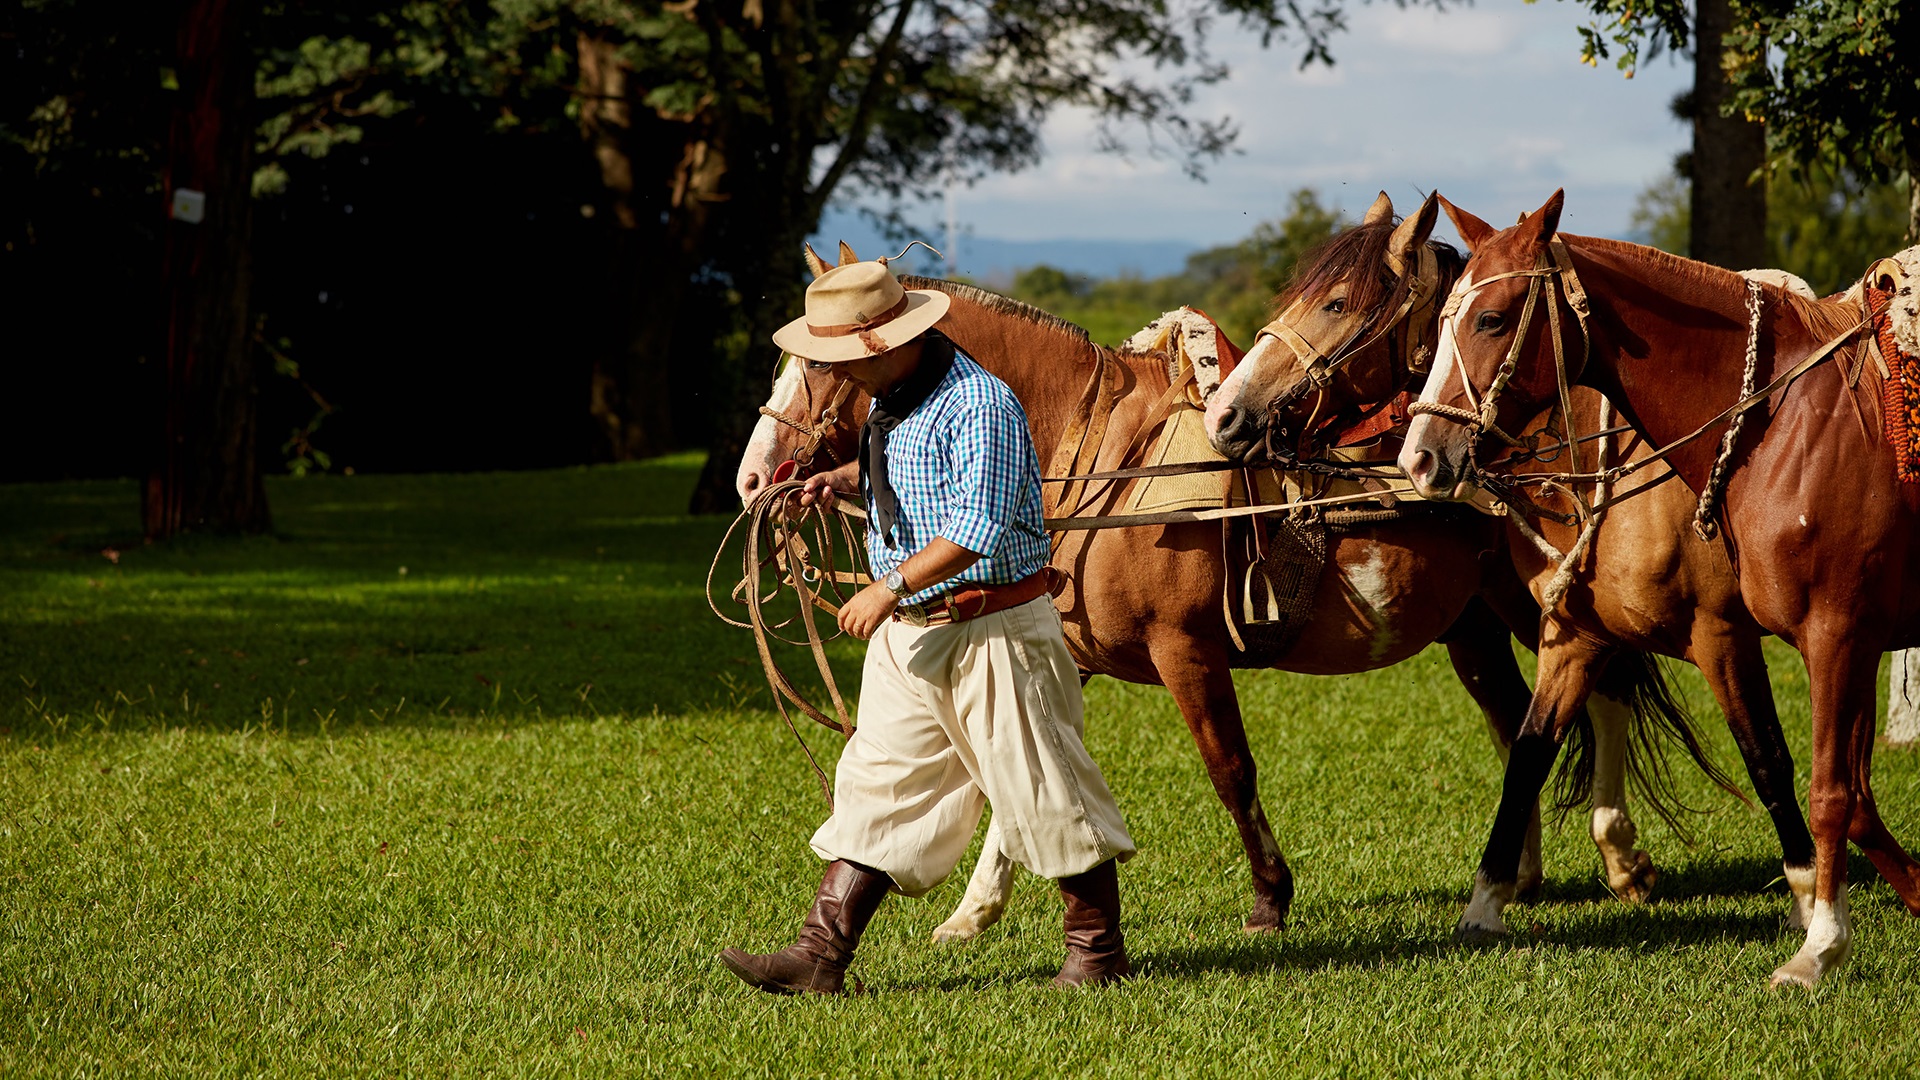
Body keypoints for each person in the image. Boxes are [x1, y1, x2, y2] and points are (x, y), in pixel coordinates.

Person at [719, 257, 1137, 995]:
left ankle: (1098, 957)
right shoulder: (894, 397)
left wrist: (887, 587)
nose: (837, 371)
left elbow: (976, 522)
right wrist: (836, 480)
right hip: (915, 636)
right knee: (881, 784)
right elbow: (910, 465)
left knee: (1043, 785)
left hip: (995, 630)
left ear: (883, 344)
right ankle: (819, 957)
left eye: (842, 356)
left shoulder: (982, 403)